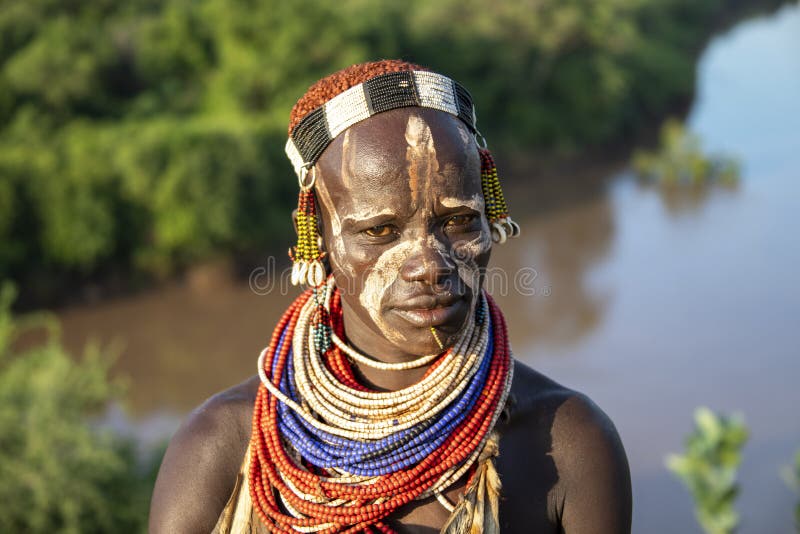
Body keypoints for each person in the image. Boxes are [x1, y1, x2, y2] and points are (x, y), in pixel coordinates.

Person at [149, 60, 632, 533]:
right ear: (319, 238)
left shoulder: (567, 445)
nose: (429, 263)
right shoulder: (222, 448)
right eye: (380, 230)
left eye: (459, 220)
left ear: (491, 217)